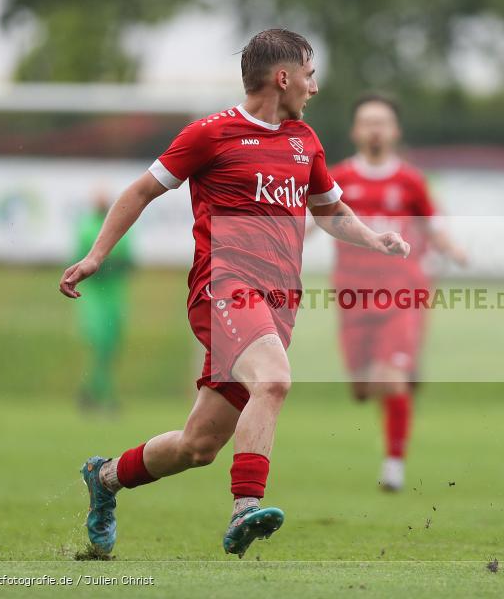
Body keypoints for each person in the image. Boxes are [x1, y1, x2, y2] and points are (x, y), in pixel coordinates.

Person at [59, 29, 410, 558]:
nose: (314, 88)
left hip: (276, 305)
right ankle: (246, 505)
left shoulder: (304, 142)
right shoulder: (211, 133)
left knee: (198, 445)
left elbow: (330, 211)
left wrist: (374, 237)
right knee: (273, 379)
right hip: (223, 289)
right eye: (310, 76)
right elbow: (141, 190)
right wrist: (96, 255)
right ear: (283, 77)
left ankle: (105, 479)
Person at [328, 94, 466, 491]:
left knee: (391, 378)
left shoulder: (409, 180)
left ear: (395, 131)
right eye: (367, 121)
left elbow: (432, 224)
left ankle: (394, 463)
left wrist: (451, 248)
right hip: (352, 296)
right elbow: (313, 220)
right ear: (355, 130)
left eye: (382, 122)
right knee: (362, 389)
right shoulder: (338, 179)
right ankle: (400, 374)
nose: (374, 129)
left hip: (400, 292)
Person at [73, 188, 133, 411]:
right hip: (94, 297)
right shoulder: (87, 227)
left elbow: (127, 258)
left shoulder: (120, 229)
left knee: (110, 348)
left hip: (115, 296)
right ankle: (102, 395)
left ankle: (92, 392)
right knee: (99, 345)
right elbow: (81, 254)